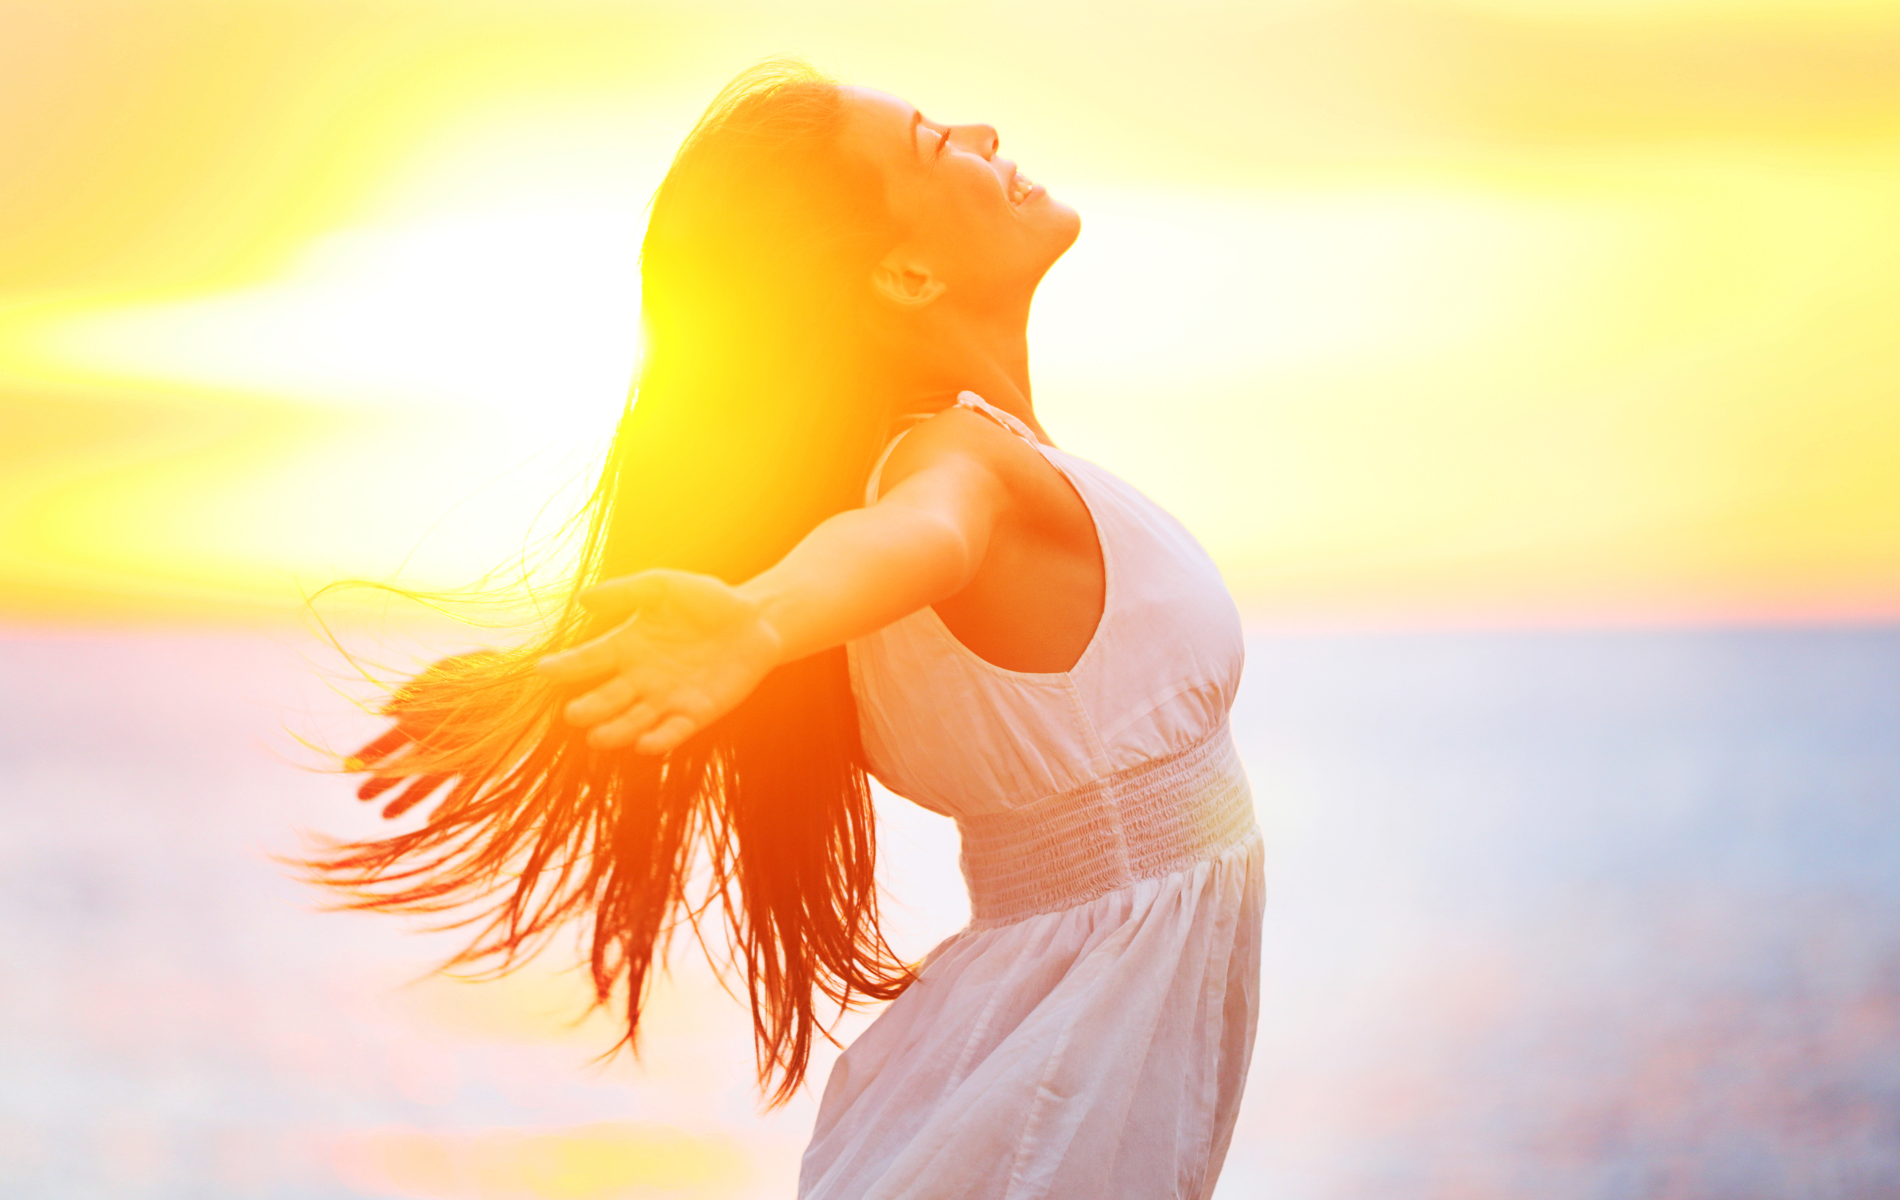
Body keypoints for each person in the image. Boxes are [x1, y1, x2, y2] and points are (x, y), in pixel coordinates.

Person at [313, 58, 1262, 1200]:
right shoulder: (955, 469)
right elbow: (924, 534)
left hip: (1040, 1048)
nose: (981, 127)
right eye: (932, 142)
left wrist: (553, 696)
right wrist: (758, 623)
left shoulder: (926, 472)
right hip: (1051, 1081)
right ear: (906, 273)